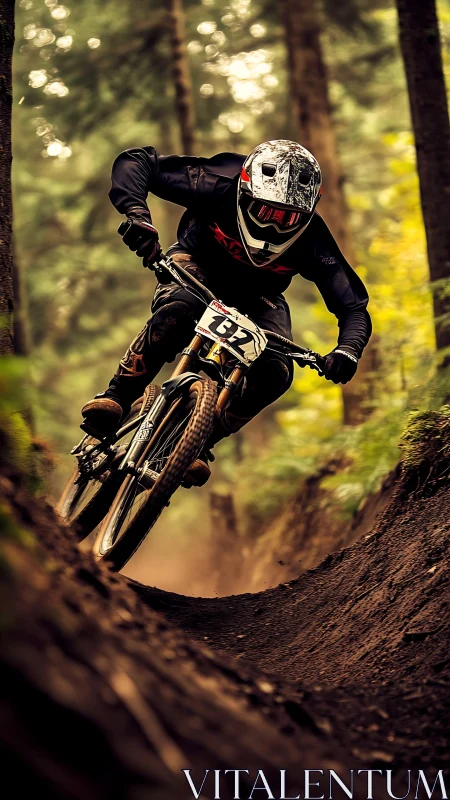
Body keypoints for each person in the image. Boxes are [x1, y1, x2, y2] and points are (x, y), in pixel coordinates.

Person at [81, 139, 372, 485]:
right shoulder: (219, 181)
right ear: (245, 192)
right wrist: (138, 216)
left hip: (260, 298)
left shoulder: (313, 239)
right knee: (180, 307)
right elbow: (138, 162)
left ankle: (197, 443)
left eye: (289, 219)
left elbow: (353, 307)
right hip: (195, 265)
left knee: (277, 371)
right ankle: (118, 396)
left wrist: (347, 351)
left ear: (307, 216)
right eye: (266, 213)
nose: (274, 228)